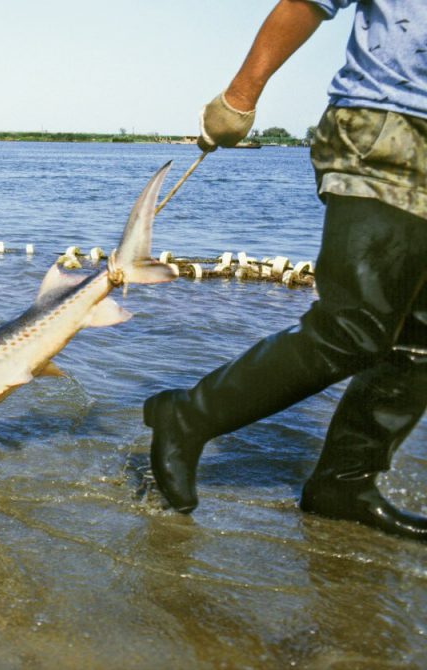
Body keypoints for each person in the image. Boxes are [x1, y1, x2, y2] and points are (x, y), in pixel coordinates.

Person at [144, 0, 427, 541]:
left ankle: (344, 485)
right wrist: (239, 97)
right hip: (386, 125)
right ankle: (188, 416)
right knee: (354, 327)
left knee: (418, 341)